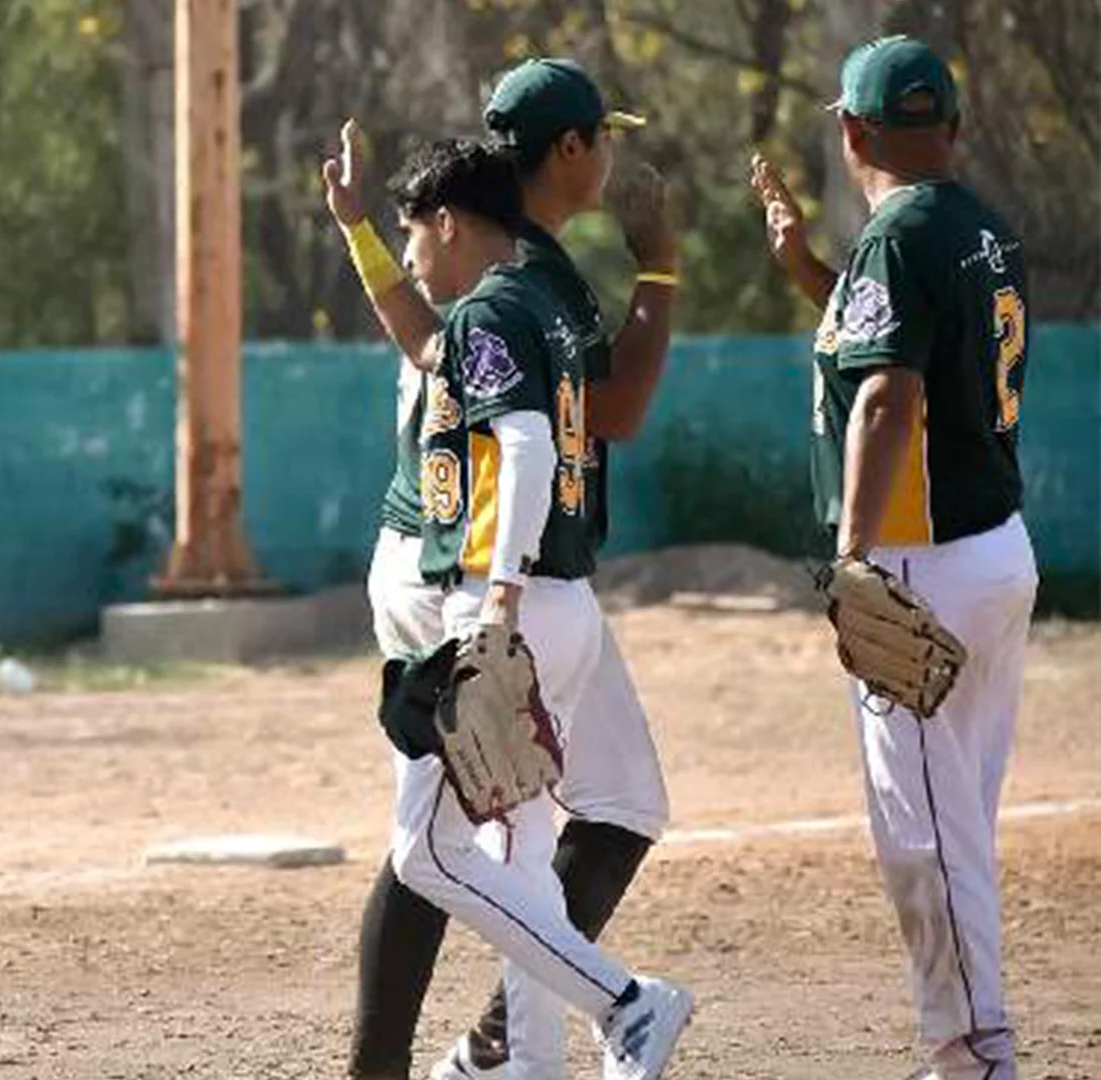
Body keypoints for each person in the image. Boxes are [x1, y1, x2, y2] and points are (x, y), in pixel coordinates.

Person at [324, 125, 691, 1080]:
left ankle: (627, 1001)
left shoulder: (493, 311)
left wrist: (496, 600)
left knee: (425, 855)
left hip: (508, 604)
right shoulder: (542, 297)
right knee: (522, 856)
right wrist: (360, 233)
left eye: (412, 232)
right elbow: (430, 339)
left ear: (449, 222)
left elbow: (524, 447)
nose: (410, 254)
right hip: (557, 602)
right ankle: (530, 1065)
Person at [750, 35, 1035, 1080]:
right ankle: (969, 1042)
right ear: (951, 130)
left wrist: (850, 558)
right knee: (957, 820)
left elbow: (887, 393)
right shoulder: (977, 227)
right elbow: (900, 348)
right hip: (994, 554)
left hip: (921, 563)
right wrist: (808, 276)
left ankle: (975, 1049)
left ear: (852, 132)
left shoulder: (898, 236)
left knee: (922, 834)